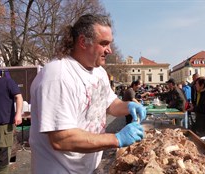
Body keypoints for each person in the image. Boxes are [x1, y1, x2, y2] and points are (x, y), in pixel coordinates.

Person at [29, 14, 146, 174]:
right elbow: (61, 139)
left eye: (110, 43)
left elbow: (111, 105)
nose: (109, 50)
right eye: (103, 43)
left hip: (89, 168)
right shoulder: (59, 75)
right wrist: (116, 139)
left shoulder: (99, 72)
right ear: (83, 42)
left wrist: (129, 106)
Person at [0, 73, 23, 174]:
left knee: (2, 158)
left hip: (3, 126)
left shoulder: (7, 82)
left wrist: (18, 114)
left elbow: (19, 97)